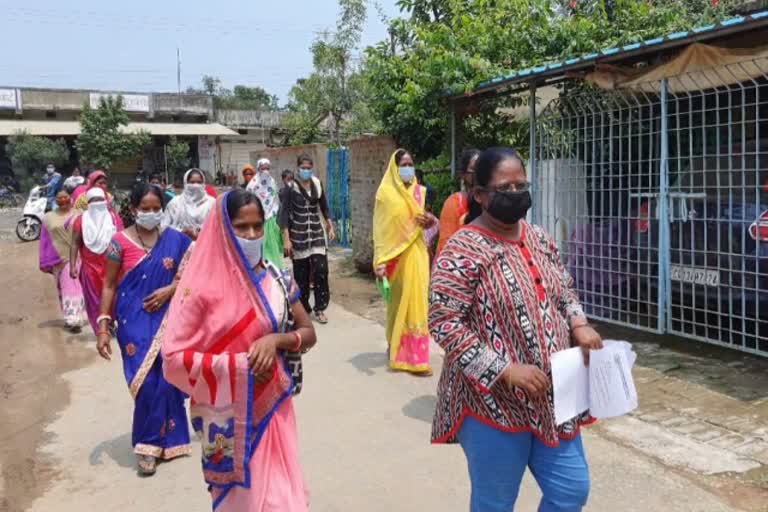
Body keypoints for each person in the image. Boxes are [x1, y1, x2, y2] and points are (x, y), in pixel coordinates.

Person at [429, 147, 604, 512]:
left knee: (571, 490)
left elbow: (563, 288)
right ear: (480, 195)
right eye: (505, 187)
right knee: (495, 503)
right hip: (491, 403)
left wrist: (580, 323)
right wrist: (505, 370)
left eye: (521, 185)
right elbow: (444, 321)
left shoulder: (538, 237)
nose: (516, 194)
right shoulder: (464, 247)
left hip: (553, 394)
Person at [161, 189, 316, 510]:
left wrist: (277, 341)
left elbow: (308, 332)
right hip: (226, 418)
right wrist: (238, 366)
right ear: (222, 228)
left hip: (274, 408)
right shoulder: (198, 288)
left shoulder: (277, 278)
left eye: (258, 226)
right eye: (241, 227)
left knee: (283, 499)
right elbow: (173, 359)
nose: (251, 234)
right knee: (242, 502)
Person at [95, 183, 192, 476]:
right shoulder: (118, 243)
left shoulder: (177, 240)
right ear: (134, 209)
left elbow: (195, 275)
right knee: (146, 384)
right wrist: (102, 325)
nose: (150, 213)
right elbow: (110, 284)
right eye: (144, 208)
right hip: (133, 322)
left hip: (170, 319)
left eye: (155, 208)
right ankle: (147, 447)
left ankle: (171, 441)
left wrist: (171, 289)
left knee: (168, 380)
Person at [373, 149, 435, 375]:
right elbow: (380, 230)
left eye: (411, 163)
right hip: (394, 258)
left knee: (418, 303)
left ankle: (417, 359)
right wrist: (379, 261)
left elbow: (430, 223)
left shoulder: (421, 192)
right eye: (404, 164)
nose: (408, 168)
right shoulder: (385, 194)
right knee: (397, 304)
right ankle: (395, 345)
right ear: (395, 167)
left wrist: (429, 221)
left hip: (417, 253)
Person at [280, 154, 335, 324]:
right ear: (297, 168)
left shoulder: (317, 184)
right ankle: (304, 308)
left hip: (317, 234)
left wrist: (330, 225)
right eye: (303, 167)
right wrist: (287, 239)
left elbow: (324, 206)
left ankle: (320, 308)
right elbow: (283, 215)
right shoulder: (290, 188)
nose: (306, 170)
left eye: (308, 167)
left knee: (321, 271)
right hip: (299, 236)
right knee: (301, 276)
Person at [70, 188, 124, 335]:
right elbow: (75, 243)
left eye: (100, 200)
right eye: (93, 201)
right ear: (88, 203)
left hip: (112, 266)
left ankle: (111, 322)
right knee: (93, 299)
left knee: (113, 297)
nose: (97, 204)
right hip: (90, 267)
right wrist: (73, 264)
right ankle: (100, 329)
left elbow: (122, 241)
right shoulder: (80, 221)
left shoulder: (114, 219)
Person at [39, 189, 87, 333]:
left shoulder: (79, 214)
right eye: (59, 198)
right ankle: (70, 315)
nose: (63, 200)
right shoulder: (48, 217)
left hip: (77, 257)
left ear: (70, 198)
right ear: (55, 200)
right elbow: (44, 240)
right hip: (57, 259)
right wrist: (45, 259)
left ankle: (74, 319)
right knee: (62, 288)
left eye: (65, 197)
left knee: (73, 287)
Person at [436, 149, 480, 258]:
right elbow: (446, 245)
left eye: (482, 170)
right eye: (473, 170)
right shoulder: (454, 203)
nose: (479, 175)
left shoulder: (491, 202)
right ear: (463, 174)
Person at [246, 159, 284, 267]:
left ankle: (273, 267)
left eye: (268, 168)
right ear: (258, 168)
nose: (266, 171)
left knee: (272, 246)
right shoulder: (252, 184)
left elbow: (275, 197)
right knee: (258, 247)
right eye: (263, 168)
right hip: (256, 219)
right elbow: (248, 200)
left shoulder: (272, 181)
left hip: (271, 218)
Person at [164, 168, 216, 240]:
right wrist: (182, 231)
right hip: (180, 244)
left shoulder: (212, 203)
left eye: (199, 182)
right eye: (192, 182)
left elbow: (217, 227)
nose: (195, 185)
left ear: (203, 183)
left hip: (205, 244)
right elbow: (164, 226)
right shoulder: (175, 203)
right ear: (185, 183)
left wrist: (199, 232)